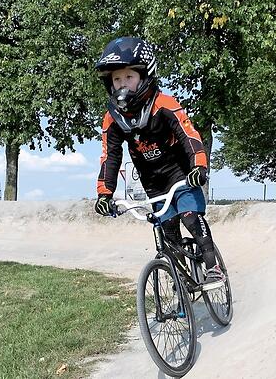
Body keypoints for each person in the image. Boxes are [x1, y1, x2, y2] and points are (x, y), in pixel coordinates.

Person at [92, 36, 225, 286]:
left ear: (145, 75)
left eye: (128, 77)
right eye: (116, 79)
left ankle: (212, 266)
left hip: (182, 174)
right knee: (169, 233)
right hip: (153, 183)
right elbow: (110, 156)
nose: (122, 84)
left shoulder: (163, 104)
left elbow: (190, 136)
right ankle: (183, 286)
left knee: (189, 217)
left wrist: (199, 166)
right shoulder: (112, 119)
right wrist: (104, 193)